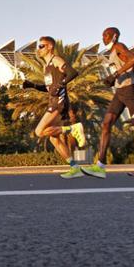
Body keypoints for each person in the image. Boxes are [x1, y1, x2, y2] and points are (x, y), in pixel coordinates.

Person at [81, 27, 134, 178]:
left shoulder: (119, 46)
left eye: (106, 35)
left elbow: (133, 59)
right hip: (119, 92)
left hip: (130, 90)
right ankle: (100, 165)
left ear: (114, 36)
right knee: (106, 123)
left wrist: (116, 74)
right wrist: (112, 79)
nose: (103, 38)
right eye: (102, 35)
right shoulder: (112, 52)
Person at [19, 36, 86, 178]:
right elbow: (49, 88)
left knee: (39, 131)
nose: (38, 49)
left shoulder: (56, 60)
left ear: (49, 47)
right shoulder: (46, 66)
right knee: (53, 138)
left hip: (59, 103)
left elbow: (72, 73)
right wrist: (32, 85)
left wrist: (61, 85)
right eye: (38, 46)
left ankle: (72, 129)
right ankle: (75, 168)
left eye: (41, 46)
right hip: (53, 100)